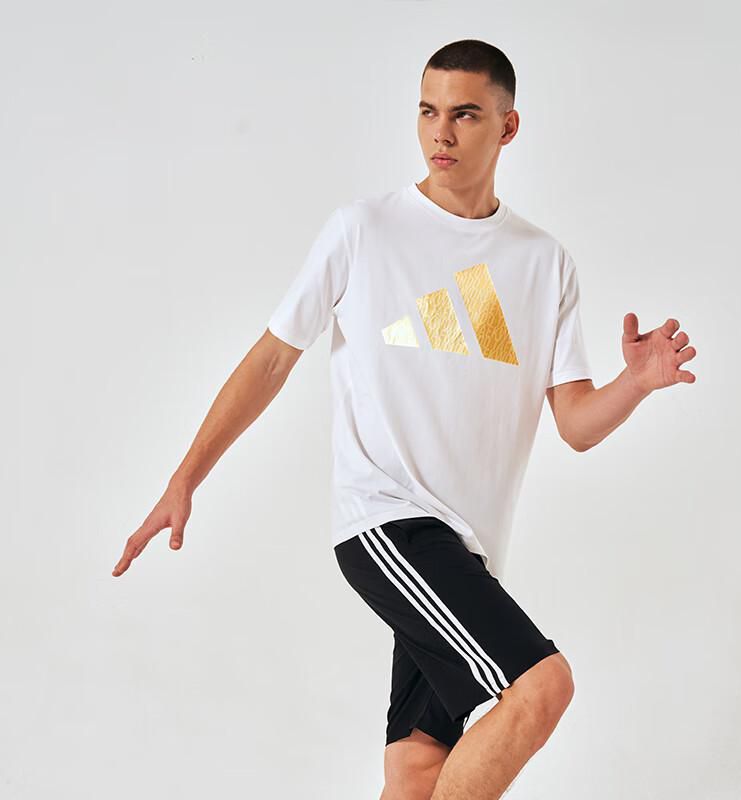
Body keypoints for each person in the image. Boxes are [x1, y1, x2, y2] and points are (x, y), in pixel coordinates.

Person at [112, 38, 697, 800]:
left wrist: (637, 382)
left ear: (508, 127)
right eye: (427, 111)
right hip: (388, 523)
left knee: (418, 770)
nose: (440, 133)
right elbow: (272, 359)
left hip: (466, 551)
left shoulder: (543, 262)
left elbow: (577, 424)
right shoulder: (364, 230)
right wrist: (185, 478)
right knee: (542, 686)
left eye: (464, 115)